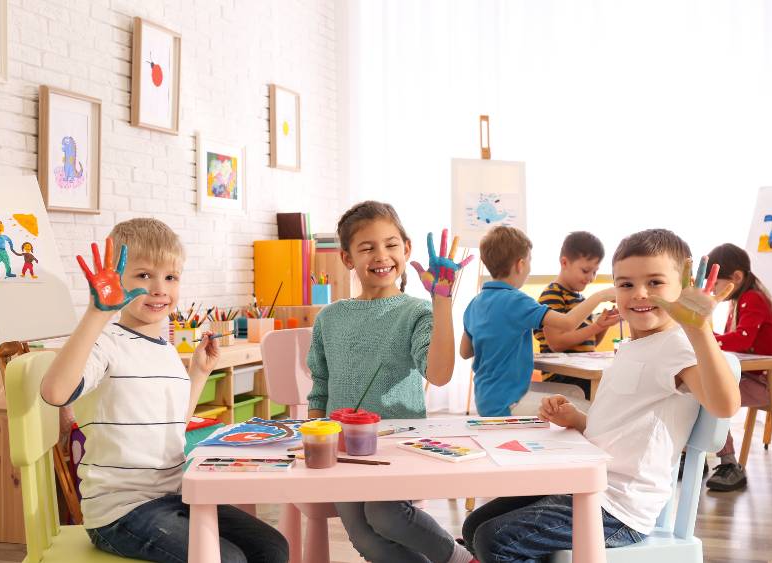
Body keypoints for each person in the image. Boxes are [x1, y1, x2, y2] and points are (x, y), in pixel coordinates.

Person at [462, 228, 740, 562]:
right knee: (474, 526)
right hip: (588, 484)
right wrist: (578, 419)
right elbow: (624, 426)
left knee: (496, 540)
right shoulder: (632, 347)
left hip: (620, 510)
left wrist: (700, 330)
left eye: (654, 282)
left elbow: (725, 405)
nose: (639, 294)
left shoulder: (678, 347)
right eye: (626, 284)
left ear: (683, 285)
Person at [40, 218, 288, 563]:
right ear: (116, 281)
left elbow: (173, 425)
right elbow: (55, 393)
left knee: (272, 547)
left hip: (176, 497)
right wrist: (97, 312)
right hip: (122, 512)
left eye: (170, 277)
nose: (159, 288)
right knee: (227, 559)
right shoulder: (106, 343)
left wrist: (199, 373)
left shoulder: (167, 350)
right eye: (144, 275)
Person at [307, 200, 476, 563]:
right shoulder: (330, 318)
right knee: (364, 540)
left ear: (407, 249)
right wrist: (315, 437)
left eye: (390, 244)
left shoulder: (416, 311)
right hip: (344, 448)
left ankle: (463, 560)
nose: (381, 255)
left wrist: (441, 301)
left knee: (385, 515)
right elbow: (320, 385)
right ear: (347, 258)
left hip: (399, 445)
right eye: (367, 247)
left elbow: (440, 374)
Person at [460, 226, 616, 417]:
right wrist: (601, 295)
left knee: (575, 393)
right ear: (520, 264)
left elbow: (465, 352)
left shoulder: (474, 303)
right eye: (530, 261)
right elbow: (568, 323)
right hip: (510, 402)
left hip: (485, 399)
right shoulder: (518, 301)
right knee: (593, 412)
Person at [703, 242, 772, 491]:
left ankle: (729, 464)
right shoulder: (739, 301)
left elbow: (742, 340)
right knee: (701, 389)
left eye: (716, 282)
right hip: (755, 379)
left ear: (737, 277)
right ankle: (696, 455)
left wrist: (707, 337)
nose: (713, 289)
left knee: (711, 394)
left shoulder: (752, 298)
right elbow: (735, 342)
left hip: (771, 384)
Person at [534, 231, 619, 399]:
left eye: (595, 272)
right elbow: (556, 344)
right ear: (564, 262)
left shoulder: (581, 299)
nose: (591, 278)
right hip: (561, 377)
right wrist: (596, 326)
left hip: (582, 373)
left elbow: (589, 344)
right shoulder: (552, 295)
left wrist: (603, 326)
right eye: (586, 270)